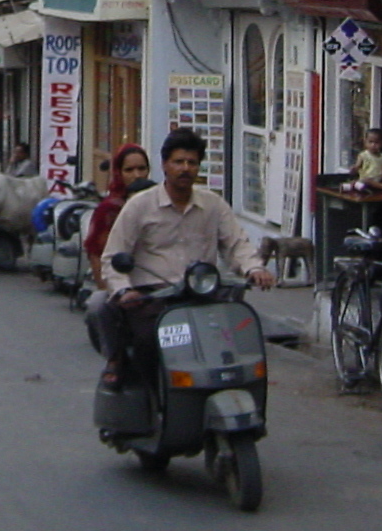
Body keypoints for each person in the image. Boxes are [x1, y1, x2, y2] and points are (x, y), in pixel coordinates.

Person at [93, 129, 275, 391]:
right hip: (153, 299)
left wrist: (254, 269)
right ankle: (154, 400)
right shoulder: (140, 206)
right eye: (178, 162)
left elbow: (236, 244)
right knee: (147, 342)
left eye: (191, 163)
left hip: (202, 297)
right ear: (165, 165)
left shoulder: (213, 205)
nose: (185, 169)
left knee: (234, 346)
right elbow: (113, 257)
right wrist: (124, 290)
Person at [84, 143, 151, 289]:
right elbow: (96, 253)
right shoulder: (109, 209)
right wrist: (107, 290)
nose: (137, 175)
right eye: (129, 170)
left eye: (142, 169)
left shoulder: (159, 202)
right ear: (118, 172)